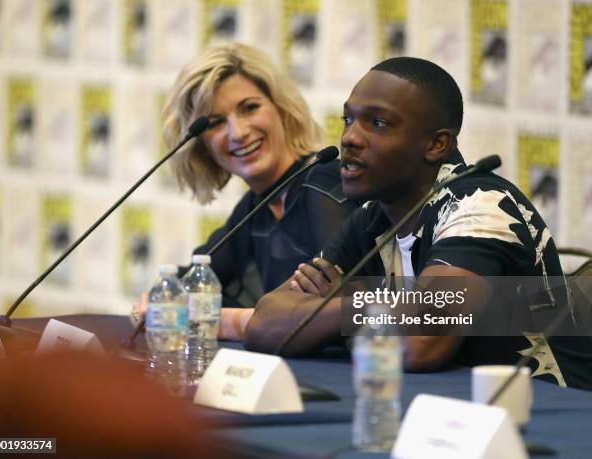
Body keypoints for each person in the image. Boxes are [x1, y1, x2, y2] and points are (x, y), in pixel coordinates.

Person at [244, 57, 592, 390]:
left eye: (377, 123)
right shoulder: (374, 215)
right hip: (453, 411)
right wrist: (371, 308)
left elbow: (416, 345)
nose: (350, 137)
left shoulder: (480, 205)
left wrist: (355, 304)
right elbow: (265, 325)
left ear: (436, 144)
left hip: (550, 418)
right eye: (348, 120)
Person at [130, 43, 359, 340]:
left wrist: (211, 319)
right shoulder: (255, 208)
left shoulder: (324, 182)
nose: (237, 133)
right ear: (202, 146)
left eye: (249, 108)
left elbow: (337, 311)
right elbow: (193, 278)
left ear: (282, 110)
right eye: (215, 123)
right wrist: (157, 300)